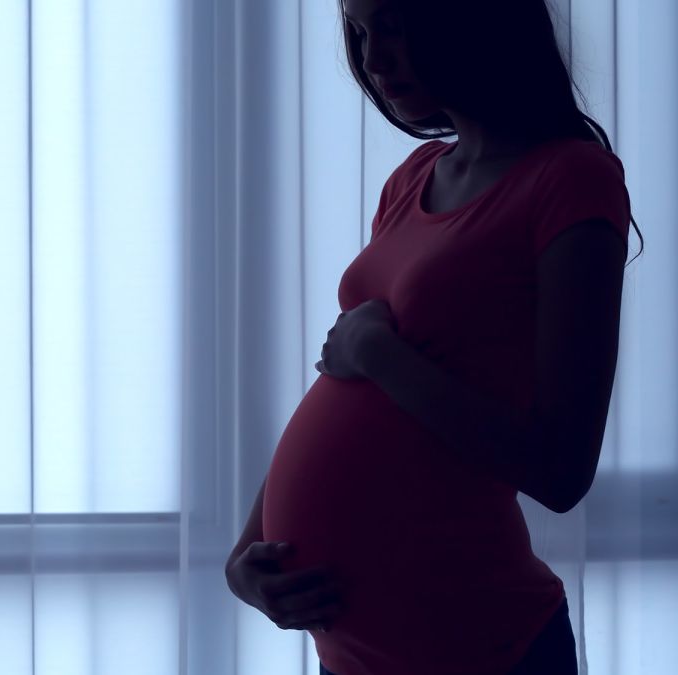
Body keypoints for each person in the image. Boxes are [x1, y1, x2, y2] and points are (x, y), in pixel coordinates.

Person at [226, 0, 642, 672]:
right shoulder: (411, 180)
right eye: (359, 35)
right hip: (353, 657)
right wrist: (247, 554)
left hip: (483, 648)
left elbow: (562, 467)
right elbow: (344, 385)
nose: (372, 59)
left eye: (394, 30)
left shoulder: (570, 180)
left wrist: (381, 357)